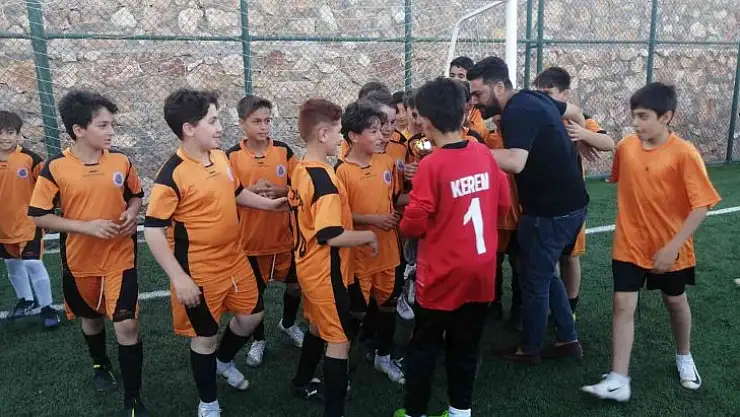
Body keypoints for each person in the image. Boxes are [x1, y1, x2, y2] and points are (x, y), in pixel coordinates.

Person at [144, 88, 286, 417]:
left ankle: (223, 361)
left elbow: (235, 192)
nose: (221, 127)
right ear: (189, 129)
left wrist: (269, 205)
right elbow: (152, 229)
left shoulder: (219, 156)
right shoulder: (172, 174)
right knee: (204, 337)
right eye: (213, 121)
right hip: (199, 269)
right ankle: (208, 404)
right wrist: (179, 278)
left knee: (252, 316)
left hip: (234, 259)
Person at [581, 82, 720, 402]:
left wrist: (672, 246)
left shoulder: (684, 153)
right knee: (622, 304)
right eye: (634, 116)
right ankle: (619, 378)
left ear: (666, 117)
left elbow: (702, 205)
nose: (635, 123)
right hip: (629, 244)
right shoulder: (626, 147)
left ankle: (684, 355)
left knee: (675, 302)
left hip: (669, 249)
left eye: (643, 116)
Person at [394, 77, 509, 417]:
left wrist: (418, 222)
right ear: (462, 115)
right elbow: (502, 204)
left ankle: (414, 411)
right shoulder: (484, 153)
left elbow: (413, 223)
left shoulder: (432, 164)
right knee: (466, 345)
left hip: (442, 273)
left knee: (425, 344)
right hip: (481, 270)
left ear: (426, 122)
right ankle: (460, 411)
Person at [28, 91, 148, 415]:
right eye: (103, 125)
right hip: (80, 260)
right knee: (92, 319)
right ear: (79, 130)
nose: (111, 131)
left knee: (127, 325)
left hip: (120, 256)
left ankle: (133, 398)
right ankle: (100, 364)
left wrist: (132, 212)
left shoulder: (121, 161)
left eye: (112, 124)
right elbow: (38, 215)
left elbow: (135, 195)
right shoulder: (56, 167)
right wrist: (86, 227)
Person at [468, 56, 588, 363]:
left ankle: (530, 348)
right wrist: (580, 137)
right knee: (545, 273)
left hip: (553, 210)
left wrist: (466, 152)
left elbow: (515, 161)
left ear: (499, 87)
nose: (475, 101)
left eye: (478, 94)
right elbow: (575, 111)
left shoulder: (518, 111)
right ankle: (568, 339)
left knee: (535, 280)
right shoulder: (533, 98)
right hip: (565, 204)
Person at [288, 98, 378, 417]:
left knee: (317, 327)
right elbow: (330, 234)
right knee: (339, 341)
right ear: (323, 133)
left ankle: (301, 381)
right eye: (339, 131)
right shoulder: (324, 181)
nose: (341, 137)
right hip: (326, 273)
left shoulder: (301, 168)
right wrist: (368, 236)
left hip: (308, 268)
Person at [227, 95, 304, 368]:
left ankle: (288, 323)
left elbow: (301, 187)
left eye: (267, 120)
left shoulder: (283, 151)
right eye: (257, 121)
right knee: (254, 298)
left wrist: (280, 190)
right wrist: (250, 191)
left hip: (285, 238)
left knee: (296, 285)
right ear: (242, 123)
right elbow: (224, 196)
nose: (264, 126)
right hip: (250, 242)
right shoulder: (231, 157)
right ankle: (258, 340)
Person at [532, 66, 615, 317]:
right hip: (542, 200)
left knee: (570, 256)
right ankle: (551, 305)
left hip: (571, 202)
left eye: (549, 93)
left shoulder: (577, 119)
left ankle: (570, 308)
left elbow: (609, 143)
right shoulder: (536, 117)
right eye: (539, 93)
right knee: (548, 259)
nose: (544, 99)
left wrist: (583, 133)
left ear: (565, 95)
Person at [335, 100, 404, 384]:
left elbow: (393, 198)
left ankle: (383, 356)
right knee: (356, 313)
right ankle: (340, 365)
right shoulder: (341, 171)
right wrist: (374, 220)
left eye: (383, 128)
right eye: (374, 131)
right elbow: (339, 216)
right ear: (353, 136)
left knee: (388, 306)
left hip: (388, 252)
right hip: (358, 257)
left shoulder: (386, 162)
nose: (382, 135)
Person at [0, 110, 59, 328]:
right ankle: (26, 299)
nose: (4, 137)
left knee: (33, 263)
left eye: (10, 132)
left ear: (18, 134)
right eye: (0, 133)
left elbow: (49, 186)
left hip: (28, 223)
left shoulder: (30, 159)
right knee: (12, 264)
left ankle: (48, 308)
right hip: (3, 226)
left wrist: (46, 212)